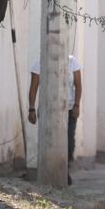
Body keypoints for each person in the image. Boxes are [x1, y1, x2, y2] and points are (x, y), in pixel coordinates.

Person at [28, 52, 83, 181]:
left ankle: (65, 169)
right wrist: (31, 108)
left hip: (68, 109)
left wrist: (76, 105)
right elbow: (33, 88)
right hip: (48, 109)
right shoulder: (39, 64)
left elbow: (78, 85)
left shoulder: (72, 62)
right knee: (49, 140)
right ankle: (48, 172)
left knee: (69, 141)